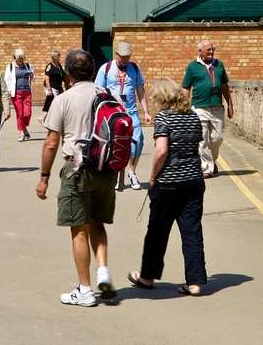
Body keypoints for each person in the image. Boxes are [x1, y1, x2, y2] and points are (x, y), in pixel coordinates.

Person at [37, 49, 117, 307]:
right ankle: (103, 271)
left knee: (79, 229)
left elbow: (51, 143)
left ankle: (84, 290)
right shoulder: (108, 95)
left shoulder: (64, 99)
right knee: (97, 223)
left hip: (77, 169)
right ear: (93, 71)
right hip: (106, 170)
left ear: (69, 74)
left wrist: (44, 177)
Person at [127, 79, 207, 296]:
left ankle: (147, 277)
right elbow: (196, 144)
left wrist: (153, 176)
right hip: (194, 180)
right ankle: (196, 282)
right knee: (192, 231)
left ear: (161, 97)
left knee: (157, 232)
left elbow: (161, 150)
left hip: (168, 183)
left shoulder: (164, 117)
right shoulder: (193, 116)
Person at [94, 41, 152, 191]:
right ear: (116, 55)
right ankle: (112, 175)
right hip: (113, 112)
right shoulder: (105, 68)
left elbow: (140, 90)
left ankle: (131, 172)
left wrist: (146, 111)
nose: (125, 60)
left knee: (137, 142)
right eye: (123, 57)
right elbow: (98, 91)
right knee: (113, 143)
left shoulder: (134, 68)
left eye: (128, 57)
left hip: (131, 112)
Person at [181, 40, 234, 178]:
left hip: (217, 107)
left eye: (212, 49)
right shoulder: (193, 67)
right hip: (199, 107)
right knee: (202, 139)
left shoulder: (219, 64)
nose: (212, 52)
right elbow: (186, 87)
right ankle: (206, 168)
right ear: (200, 51)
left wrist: (230, 105)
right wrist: (184, 107)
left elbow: (224, 86)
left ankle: (212, 160)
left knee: (217, 138)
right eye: (208, 50)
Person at [4, 48, 34, 141]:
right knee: (20, 113)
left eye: (22, 58)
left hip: (27, 92)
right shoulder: (10, 67)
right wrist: (7, 92)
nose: (21, 61)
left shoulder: (27, 65)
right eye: (19, 59)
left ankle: (24, 129)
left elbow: (32, 78)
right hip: (16, 93)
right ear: (15, 58)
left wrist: (32, 76)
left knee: (27, 113)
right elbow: (6, 80)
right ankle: (21, 132)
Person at [38, 50, 69, 124]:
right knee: (55, 102)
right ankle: (54, 119)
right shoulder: (50, 66)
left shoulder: (58, 65)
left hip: (58, 86)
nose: (60, 57)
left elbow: (62, 75)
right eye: (59, 56)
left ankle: (43, 117)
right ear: (55, 57)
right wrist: (49, 89)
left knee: (53, 102)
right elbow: (47, 78)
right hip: (52, 86)